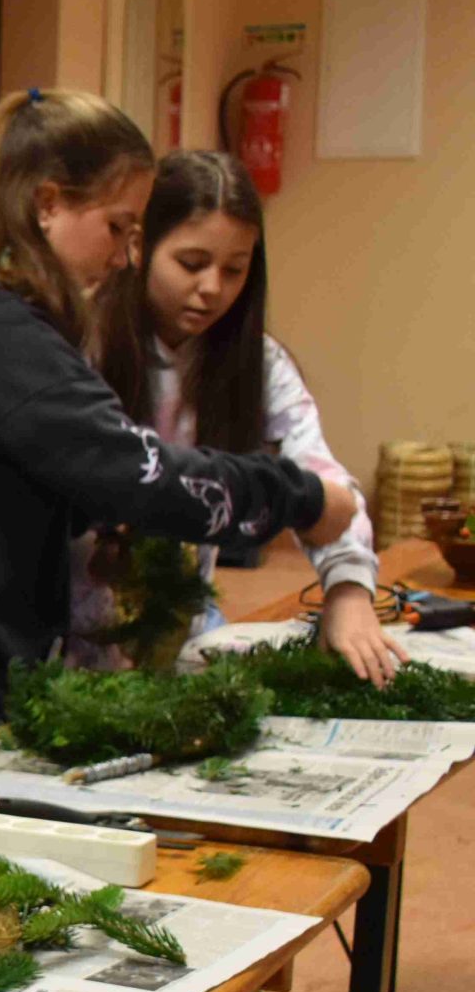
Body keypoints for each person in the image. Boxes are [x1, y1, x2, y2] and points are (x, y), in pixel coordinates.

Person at [0, 87, 360, 796]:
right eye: (117, 226)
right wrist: (300, 498)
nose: (126, 257)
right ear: (47, 204)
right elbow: (135, 474)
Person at [80, 148, 392, 683]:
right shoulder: (82, 344)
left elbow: (326, 484)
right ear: (139, 246)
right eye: (191, 263)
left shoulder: (259, 363)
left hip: (185, 634)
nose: (212, 289)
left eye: (234, 270)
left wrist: (348, 588)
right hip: (71, 641)